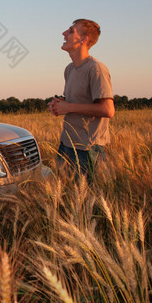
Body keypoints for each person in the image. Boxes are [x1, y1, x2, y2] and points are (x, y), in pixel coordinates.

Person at [48, 19, 115, 181]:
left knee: (89, 200)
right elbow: (76, 101)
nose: (64, 34)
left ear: (83, 40)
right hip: (66, 144)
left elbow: (108, 110)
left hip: (88, 148)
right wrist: (59, 104)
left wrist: (68, 107)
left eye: (71, 31)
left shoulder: (96, 69)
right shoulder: (69, 69)